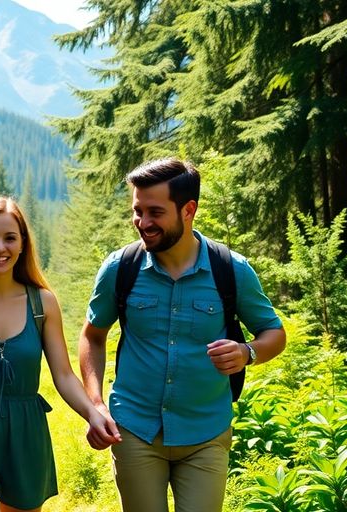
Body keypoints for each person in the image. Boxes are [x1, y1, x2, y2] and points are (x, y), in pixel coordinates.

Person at [79, 158, 287, 511]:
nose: (143, 223)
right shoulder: (120, 268)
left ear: (188, 209)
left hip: (206, 434)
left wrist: (246, 352)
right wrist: (96, 405)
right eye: (138, 211)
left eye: (155, 212)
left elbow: (274, 334)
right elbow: (92, 336)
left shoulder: (231, 270)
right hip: (134, 430)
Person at [0, 196, 121, 512]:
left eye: (9, 238)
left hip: (25, 436)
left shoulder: (42, 304)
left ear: (22, 244)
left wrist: (93, 413)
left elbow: (64, 375)